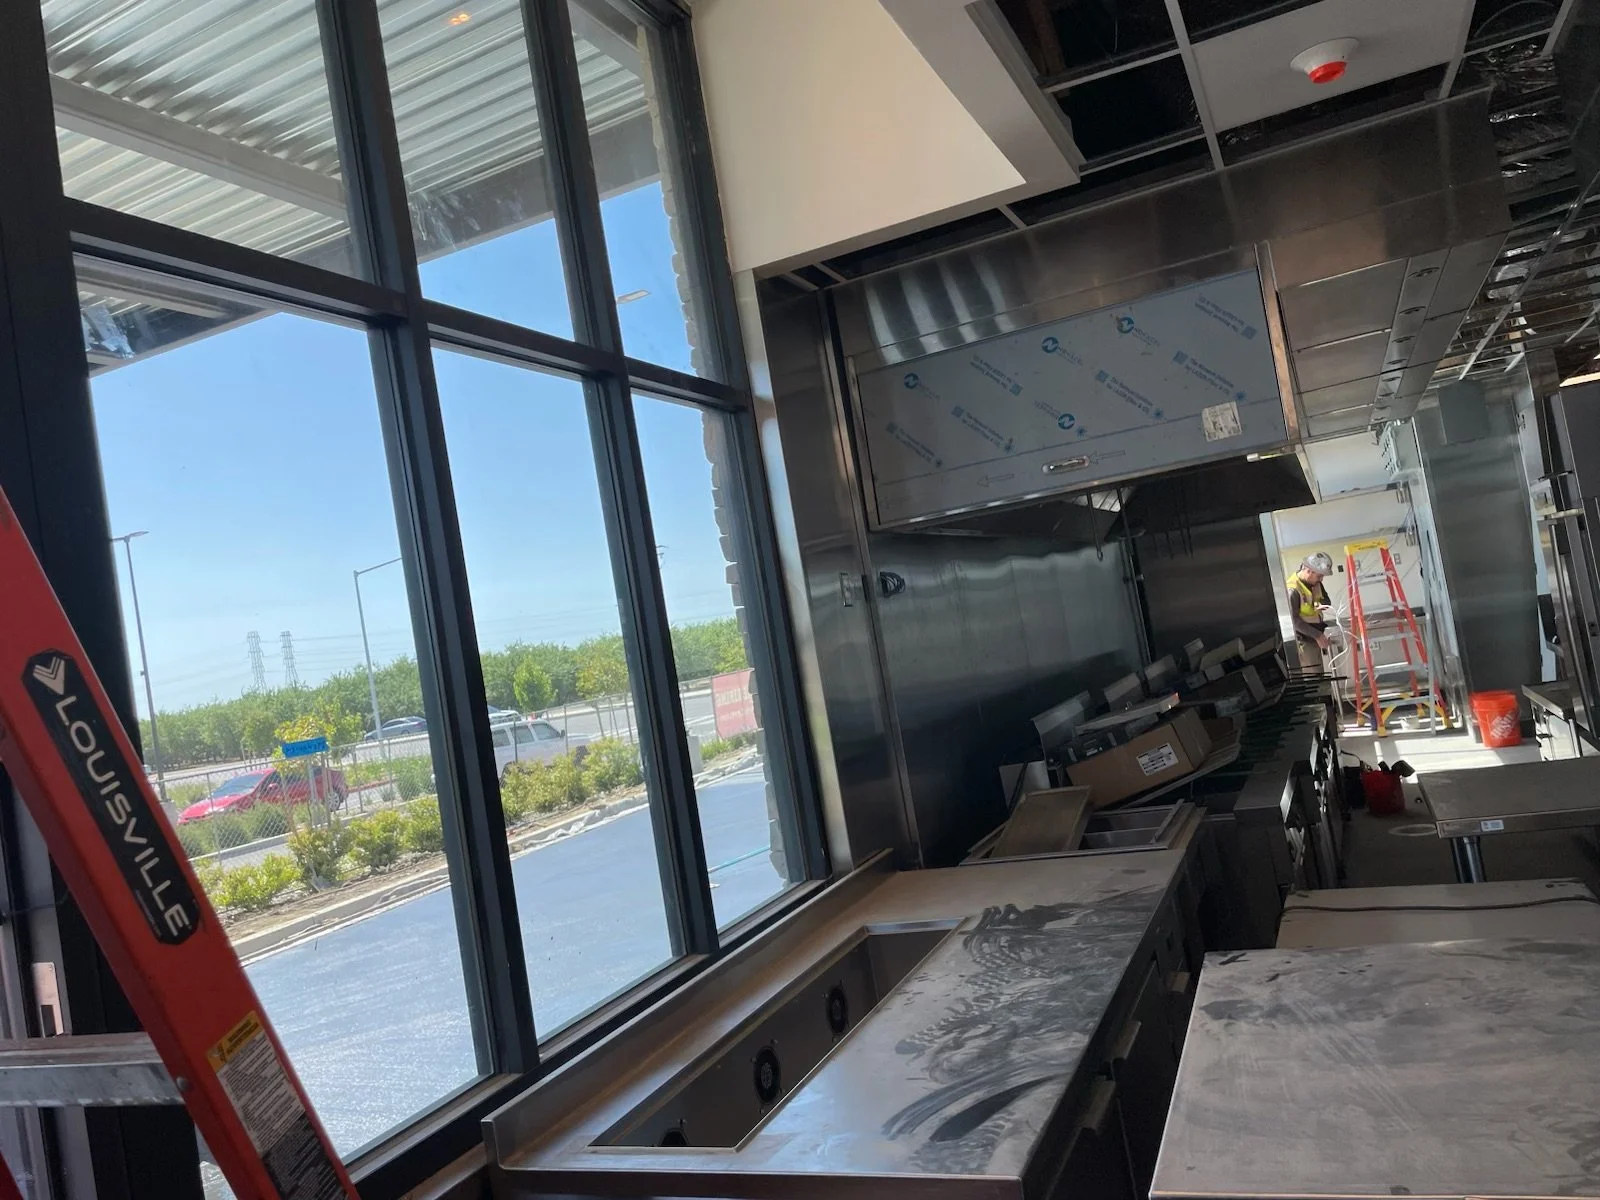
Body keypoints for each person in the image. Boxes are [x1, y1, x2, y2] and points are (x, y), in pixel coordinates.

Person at [1288, 552, 1335, 651]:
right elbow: (1293, 620)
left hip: (1316, 634)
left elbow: (1326, 600)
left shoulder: (1316, 583)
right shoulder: (1293, 590)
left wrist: (1323, 604)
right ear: (1308, 571)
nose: (1321, 580)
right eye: (1319, 576)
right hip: (1304, 639)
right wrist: (1317, 635)